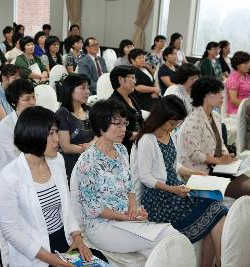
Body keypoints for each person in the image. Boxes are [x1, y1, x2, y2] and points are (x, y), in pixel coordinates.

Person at [0, 106, 107, 267]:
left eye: (56, 132)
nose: (57, 139)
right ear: (34, 135)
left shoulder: (57, 161)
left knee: (100, 260)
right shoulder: (10, 176)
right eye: (51, 134)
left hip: (63, 240)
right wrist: (53, 261)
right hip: (35, 251)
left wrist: (77, 237)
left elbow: (66, 206)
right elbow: (11, 231)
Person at [75, 98, 179, 256]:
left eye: (125, 123)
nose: (124, 129)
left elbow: (129, 187)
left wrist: (134, 210)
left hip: (125, 220)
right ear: (101, 127)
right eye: (118, 124)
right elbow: (94, 208)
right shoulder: (87, 161)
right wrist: (125, 217)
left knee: (161, 252)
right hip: (102, 226)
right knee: (168, 236)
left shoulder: (122, 150)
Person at [135, 95, 227, 266]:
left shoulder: (170, 134)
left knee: (216, 205)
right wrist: (173, 189)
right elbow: (145, 177)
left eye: (177, 123)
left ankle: (218, 262)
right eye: (172, 123)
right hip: (159, 199)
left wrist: (192, 173)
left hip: (177, 190)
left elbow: (173, 165)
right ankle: (221, 262)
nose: (175, 126)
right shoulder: (147, 139)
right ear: (161, 117)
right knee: (214, 209)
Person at [178, 76, 250, 199]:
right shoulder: (192, 121)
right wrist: (219, 161)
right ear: (205, 96)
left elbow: (220, 143)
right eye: (217, 93)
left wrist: (226, 155)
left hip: (219, 168)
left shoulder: (215, 115)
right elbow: (194, 154)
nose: (222, 96)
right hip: (201, 173)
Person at [56, 74, 95, 178]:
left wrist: (91, 145)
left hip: (93, 157)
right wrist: (88, 148)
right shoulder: (62, 114)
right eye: (82, 88)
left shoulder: (90, 110)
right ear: (70, 90)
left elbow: (100, 133)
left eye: (88, 88)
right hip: (73, 163)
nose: (87, 92)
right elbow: (66, 147)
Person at [0, 78, 36, 174]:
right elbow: (14, 156)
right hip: (18, 172)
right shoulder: (6, 126)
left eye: (34, 97)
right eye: (27, 99)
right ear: (14, 102)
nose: (32, 102)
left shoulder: (39, 117)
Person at [109, 66, 143, 153]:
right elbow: (116, 128)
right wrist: (137, 135)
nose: (135, 81)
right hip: (125, 147)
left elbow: (140, 119)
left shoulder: (131, 97)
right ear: (120, 79)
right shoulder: (113, 103)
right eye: (132, 78)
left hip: (139, 141)